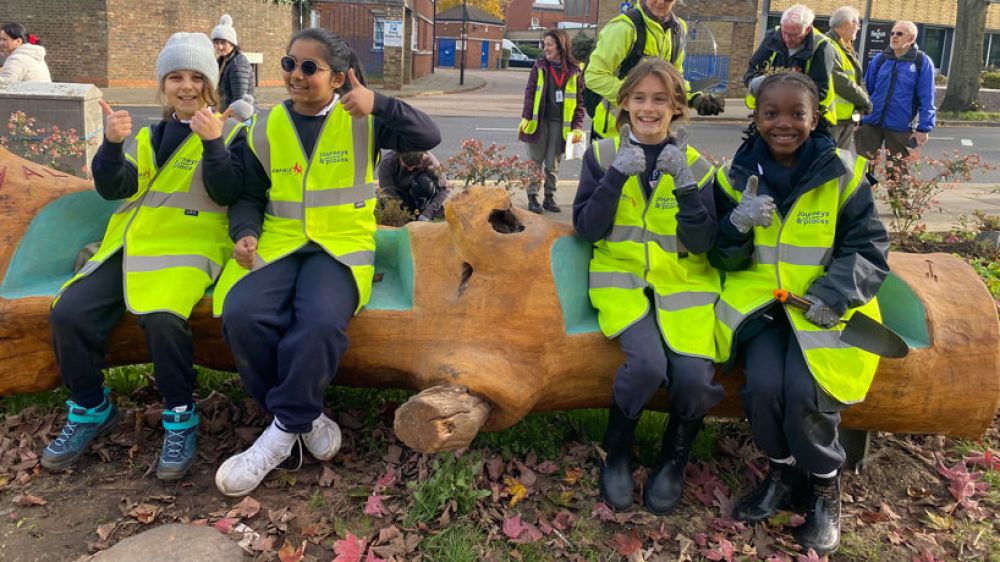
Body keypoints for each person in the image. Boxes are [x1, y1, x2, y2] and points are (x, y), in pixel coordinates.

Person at [213, 28, 441, 497]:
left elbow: (428, 135)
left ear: (337, 77)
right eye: (289, 64)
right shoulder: (265, 125)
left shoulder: (362, 117)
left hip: (341, 247)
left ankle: (278, 437)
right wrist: (246, 233)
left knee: (317, 323)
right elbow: (248, 195)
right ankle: (301, 418)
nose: (296, 75)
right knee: (242, 315)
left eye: (309, 68)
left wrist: (379, 102)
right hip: (277, 244)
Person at [40, 33, 245, 481]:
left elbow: (229, 192)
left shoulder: (231, 131)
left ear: (211, 84)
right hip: (133, 242)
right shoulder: (150, 136)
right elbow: (117, 189)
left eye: (196, 77)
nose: (186, 86)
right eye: (175, 77)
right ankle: (91, 408)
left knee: (163, 317)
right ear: (163, 85)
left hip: (192, 246)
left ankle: (180, 417)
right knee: (68, 312)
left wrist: (213, 144)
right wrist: (111, 147)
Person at [710, 72, 890, 556]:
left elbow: (868, 249)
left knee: (804, 393)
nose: (783, 123)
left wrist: (835, 293)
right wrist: (734, 225)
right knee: (764, 388)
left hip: (823, 308)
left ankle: (826, 485)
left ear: (816, 118)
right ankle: (782, 472)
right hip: (763, 307)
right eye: (771, 113)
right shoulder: (735, 175)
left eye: (797, 113)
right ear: (757, 118)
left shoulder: (844, 174)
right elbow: (721, 258)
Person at [574, 58, 724, 515]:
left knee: (695, 378)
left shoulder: (697, 165)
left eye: (661, 99)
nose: (649, 108)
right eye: (639, 98)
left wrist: (684, 187)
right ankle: (615, 453)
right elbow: (587, 228)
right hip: (622, 283)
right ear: (623, 103)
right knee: (646, 367)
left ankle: (672, 462)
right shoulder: (601, 156)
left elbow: (704, 241)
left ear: (677, 107)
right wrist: (616, 176)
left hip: (684, 287)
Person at [584, 0, 725, 140]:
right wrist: (636, 97)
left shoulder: (678, 30)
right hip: (614, 133)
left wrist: (695, 98)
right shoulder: (624, 27)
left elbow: (674, 79)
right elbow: (594, 75)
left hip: (655, 134)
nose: (660, 2)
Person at [518, 29, 585, 214]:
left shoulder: (575, 71)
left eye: (549, 44)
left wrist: (577, 126)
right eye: (544, 44)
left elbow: (580, 102)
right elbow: (530, 93)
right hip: (539, 121)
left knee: (552, 163)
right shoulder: (539, 67)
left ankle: (549, 197)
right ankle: (532, 197)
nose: (545, 48)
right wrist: (526, 117)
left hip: (561, 124)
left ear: (560, 45)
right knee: (535, 161)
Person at [856, 21, 935, 164]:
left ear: (911, 39)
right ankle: (868, 188)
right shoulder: (880, 59)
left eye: (899, 34)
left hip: (901, 126)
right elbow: (866, 90)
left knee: (897, 173)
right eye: (892, 33)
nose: (894, 36)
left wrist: (924, 128)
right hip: (871, 123)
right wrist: (860, 118)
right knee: (863, 169)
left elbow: (927, 97)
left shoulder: (922, 62)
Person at [743, 5, 836, 127]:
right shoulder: (772, 38)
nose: (787, 39)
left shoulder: (822, 47)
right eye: (784, 32)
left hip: (806, 120)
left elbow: (820, 90)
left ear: (807, 30)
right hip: (769, 114)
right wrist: (757, 84)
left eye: (793, 34)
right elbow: (751, 72)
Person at [826, 6, 871, 150]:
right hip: (832, 118)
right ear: (847, 24)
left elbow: (857, 79)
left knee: (841, 163)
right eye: (857, 24)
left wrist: (861, 107)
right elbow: (841, 82)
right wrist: (865, 101)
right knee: (827, 162)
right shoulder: (828, 46)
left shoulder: (846, 47)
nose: (858, 28)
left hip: (846, 118)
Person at [378, 150, 450, 221]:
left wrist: (428, 213)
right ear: (400, 157)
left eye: (415, 166)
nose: (410, 169)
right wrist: (401, 214)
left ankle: (421, 210)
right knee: (381, 202)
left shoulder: (430, 161)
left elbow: (444, 189)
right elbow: (387, 192)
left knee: (425, 185)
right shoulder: (387, 163)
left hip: (419, 194)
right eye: (407, 165)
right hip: (399, 195)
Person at [212, 14, 256, 110]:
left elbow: (239, 101)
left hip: (237, 119)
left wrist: (227, 120)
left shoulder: (238, 64)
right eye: (216, 42)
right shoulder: (222, 61)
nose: (219, 46)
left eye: (223, 42)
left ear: (232, 43)